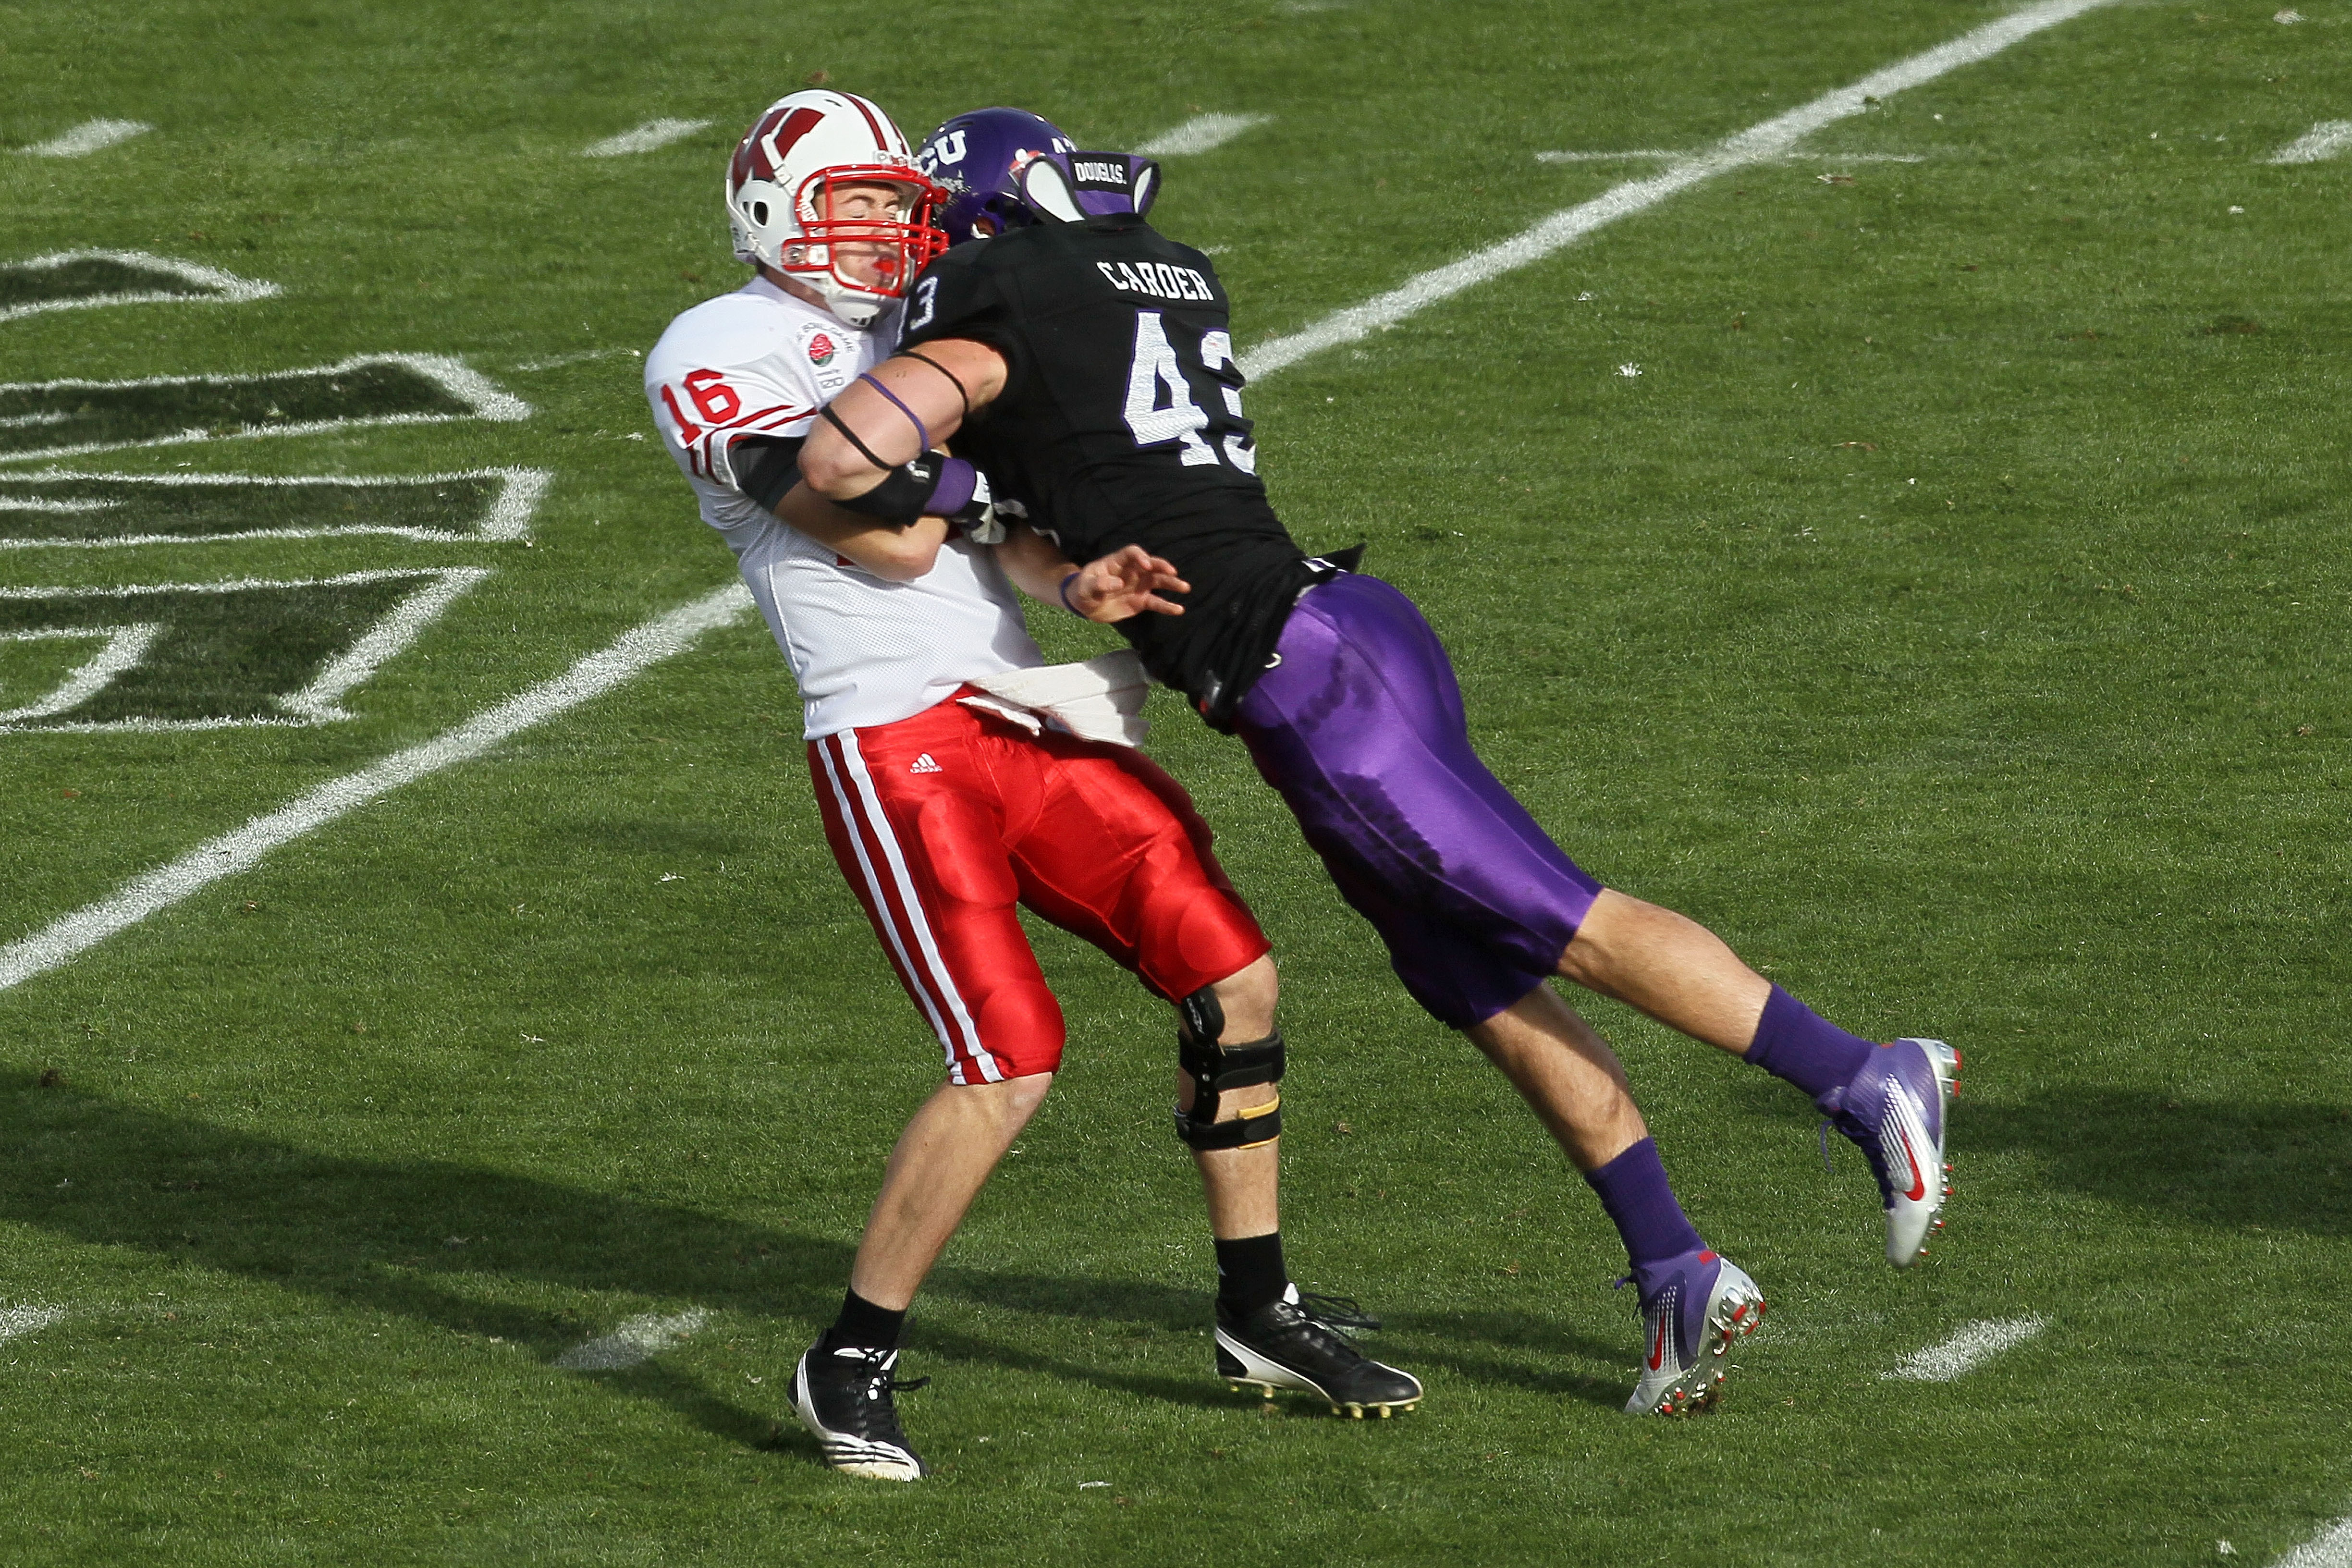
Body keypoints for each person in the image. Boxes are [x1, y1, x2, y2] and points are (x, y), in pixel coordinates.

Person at [792, 107, 1960, 1419]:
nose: (921, 245)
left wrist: (906, 467)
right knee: (1474, 975)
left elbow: (841, 456)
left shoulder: (1001, 296)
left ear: (990, 220)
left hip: (1306, 676)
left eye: (940, 219)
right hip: (1343, 635)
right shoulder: (1149, 274)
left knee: (1556, 924)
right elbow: (1065, 504)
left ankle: (1860, 1073)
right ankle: (1674, 1267)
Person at [643, 92, 1421, 1482]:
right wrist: (968, 497)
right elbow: (827, 500)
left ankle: (1257, 1310)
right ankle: (849, 1357)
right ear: (767, 211)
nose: (884, 232)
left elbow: (969, 518)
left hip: (1021, 711)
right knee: (1007, 1054)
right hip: (891, 735)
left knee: (1232, 973)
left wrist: (1072, 577)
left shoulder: (915, 338)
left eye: (895, 202)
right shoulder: (716, 342)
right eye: (853, 206)